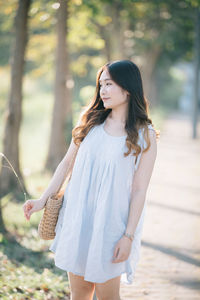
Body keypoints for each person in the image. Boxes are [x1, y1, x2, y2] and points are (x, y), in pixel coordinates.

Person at [23, 59, 159, 300]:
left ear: (127, 89)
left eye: (109, 84)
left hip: (111, 226)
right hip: (78, 218)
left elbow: (139, 190)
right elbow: (66, 164)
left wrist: (128, 237)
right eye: (101, 85)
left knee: (108, 296)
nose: (102, 91)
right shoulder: (90, 120)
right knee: (80, 294)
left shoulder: (144, 135)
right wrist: (43, 200)